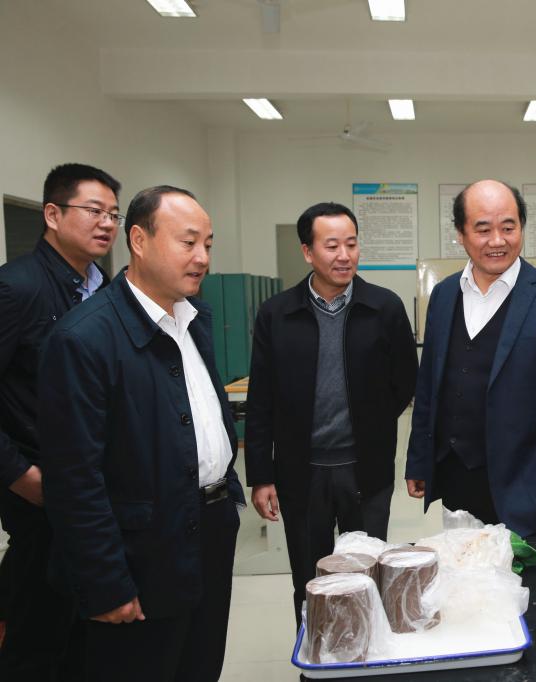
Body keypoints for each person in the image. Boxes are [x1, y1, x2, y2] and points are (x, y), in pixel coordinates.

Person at [37, 186, 245, 682]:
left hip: (208, 532)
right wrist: (105, 582)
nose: (202, 258)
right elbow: (74, 479)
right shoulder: (84, 339)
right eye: (188, 242)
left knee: (199, 665)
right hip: (141, 553)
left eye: (208, 245)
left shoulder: (192, 320)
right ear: (139, 240)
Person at [245, 201, 417, 625]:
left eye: (352, 244)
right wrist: (261, 475)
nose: (344, 255)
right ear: (308, 251)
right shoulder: (276, 314)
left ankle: (368, 651)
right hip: (301, 474)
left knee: (367, 577)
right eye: (332, 245)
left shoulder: (384, 308)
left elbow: (406, 382)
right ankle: (317, 651)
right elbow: (261, 398)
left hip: (366, 471)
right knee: (310, 581)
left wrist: (371, 422)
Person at [405, 179, 536, 536]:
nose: (497, 240)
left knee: (531, 574)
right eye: (483, 229)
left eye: (509, 227)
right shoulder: (444, 296)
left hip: (529, 490)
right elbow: (429, 385)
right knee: (464, 567)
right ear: (460, 234)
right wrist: (420, 460)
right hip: (456, 478)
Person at [0, 163, 121, 679]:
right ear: (52, 214)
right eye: (94, 211)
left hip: (94, 488)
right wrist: (19, 475)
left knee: (88, 631)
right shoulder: (17, 287)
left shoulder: (103, 288)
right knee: (40, 632)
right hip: (41, 491)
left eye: (113, 214)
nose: (107, 223)